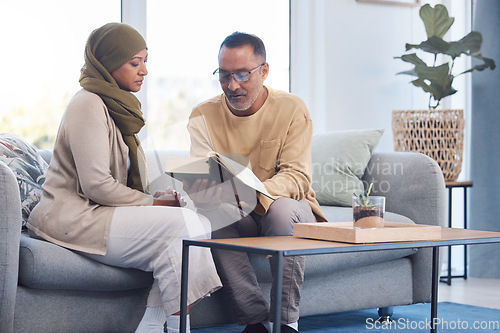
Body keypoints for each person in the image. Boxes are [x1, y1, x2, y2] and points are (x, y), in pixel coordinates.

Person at [27, 22, 221, 333]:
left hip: (99, 212)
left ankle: (155, 325)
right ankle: (172, 326)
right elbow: (95, 185)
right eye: (135, 62)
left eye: (146, 60)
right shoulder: (87, 103)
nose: (144, 70)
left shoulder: (115, 108)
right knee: (183, 224)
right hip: (74, 218)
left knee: (198, 222)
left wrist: (162, 201)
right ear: (109, 62)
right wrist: (153, 203)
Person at [184, 32, 327, 333]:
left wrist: (252, 190)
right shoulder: (202, 114)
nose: (232, 85)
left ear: (264, 71)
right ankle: (254, 322)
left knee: (282, 210)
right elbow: (202, 176)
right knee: (210, 214)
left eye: (242, 74)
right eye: (223, 75)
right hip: (238, 212)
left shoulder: (291, 108)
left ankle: (286, 321)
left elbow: (297, 177)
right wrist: (199, 189)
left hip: (285, 209)